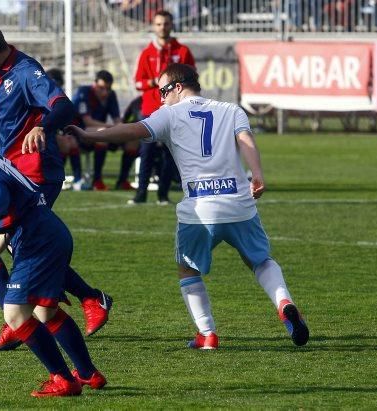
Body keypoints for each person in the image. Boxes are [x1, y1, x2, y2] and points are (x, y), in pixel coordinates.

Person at [66, 63, 310, 349]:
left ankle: (207, 334)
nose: (160, 98)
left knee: (187, 269)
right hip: (239, 202)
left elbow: (130, 130)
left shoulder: (170, 114)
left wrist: (90, 135)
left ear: (178, 87)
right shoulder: (231, 109)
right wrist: (256, 174)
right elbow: (245, 140)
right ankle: (284, 303)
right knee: (261, 261)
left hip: (199, 208)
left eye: (163, 91)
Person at [0, 17, 113, 351]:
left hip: (37, 172)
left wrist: (43, 126)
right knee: (18, 245)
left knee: (23, 244)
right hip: (14, 172)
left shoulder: (26, 71)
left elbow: (63, 106)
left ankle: (81, 301)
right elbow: (12, 124)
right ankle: (39, 312)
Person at [0, 109, 106, 397]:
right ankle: (88, 374)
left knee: (14, 314)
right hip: (47, 234)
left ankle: (64, 380)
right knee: (45, 311)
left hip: (39, 241)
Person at [131, 10, 195, 205]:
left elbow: (192, 78)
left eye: (166, 24)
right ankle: (140, 194)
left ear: (171, 25)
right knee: (146, 152)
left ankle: (163, 194)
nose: (162, 27)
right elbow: (138, 83)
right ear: (154, 26)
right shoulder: (147, 53)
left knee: (171, 153)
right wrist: (154, 81)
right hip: (150, 109)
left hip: (175, 109)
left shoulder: (182, 51)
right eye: (159, 24)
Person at [72, 70, 134, 191]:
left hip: (102, 132)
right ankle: (97, 180)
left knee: (133, 140)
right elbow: (87, 121)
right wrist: (113, 128)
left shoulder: (111, 95)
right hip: (80, 134)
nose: (105, 92)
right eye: (101, 88)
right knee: (101, 133)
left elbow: (117, 120)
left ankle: (123, 180)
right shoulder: (83, 92)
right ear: (94, 84)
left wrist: (123, 129)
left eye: (108, 88)